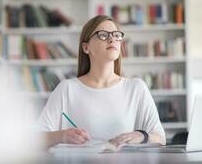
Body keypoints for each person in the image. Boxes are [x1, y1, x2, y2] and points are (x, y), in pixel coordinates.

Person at [36, 15, 166, 148]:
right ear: (86, 47)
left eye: (116, 35)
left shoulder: (136, 88)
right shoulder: (67, 89)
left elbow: (160, 138)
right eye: (103, 35)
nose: (112, 39)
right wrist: (62, 135)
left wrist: (142, 136)